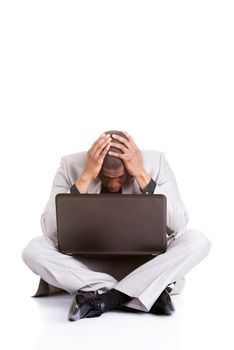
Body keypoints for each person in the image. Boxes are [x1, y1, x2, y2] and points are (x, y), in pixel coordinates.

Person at [22, 130, 211, 321]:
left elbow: (179, 224)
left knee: (198, 241)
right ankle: (142, 291)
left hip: (144, 263)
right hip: (87, 265)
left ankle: (108, 298)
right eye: (105, 177)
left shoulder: (157, 163)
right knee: (33, 250)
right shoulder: (70, 166)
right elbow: (49, 229)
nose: (113, 185)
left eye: (121, 178)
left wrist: (141, 175)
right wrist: (86, 177)